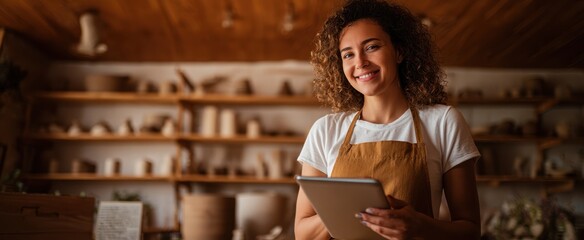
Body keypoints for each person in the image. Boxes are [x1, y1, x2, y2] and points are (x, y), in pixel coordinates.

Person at [294, 0, 481, 239]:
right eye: (348, 54)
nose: (360, 62)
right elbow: (302, 234)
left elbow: (470, 230)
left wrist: (421, 227)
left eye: (371, 47)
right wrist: (345, 206)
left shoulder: (443, 122)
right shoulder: (325, 130)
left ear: (399, 51)